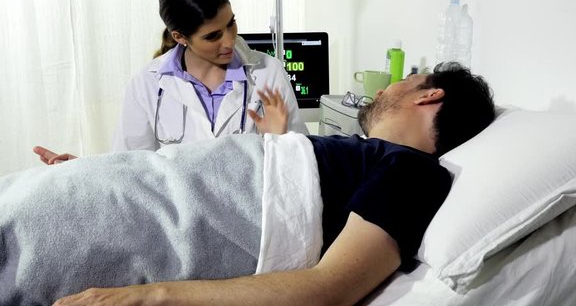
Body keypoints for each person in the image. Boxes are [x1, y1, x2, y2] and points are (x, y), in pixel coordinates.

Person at [2, 63, 496, 306]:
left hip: (151, 223)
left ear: (429, 95)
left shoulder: (412, 172)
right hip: (123, 187)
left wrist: (146, 297)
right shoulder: (352, 149)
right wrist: (89, 172)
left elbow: (329, 288)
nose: (383, 87)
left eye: (403, 80)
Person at [32, 0, 308, 164]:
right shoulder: (148, 84)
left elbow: (305, 165)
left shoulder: (267, 72)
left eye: (231, 23)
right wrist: (80, 172)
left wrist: (278, 139)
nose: (229, 40)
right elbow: (128, 167)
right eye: (212, 36)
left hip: (253, 221)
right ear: (180, 37)